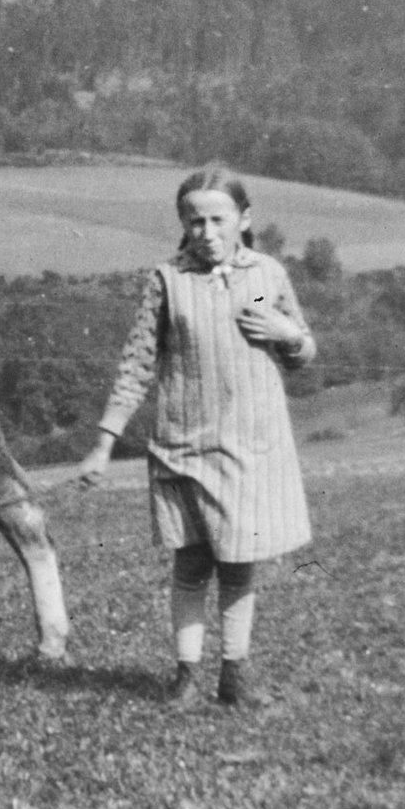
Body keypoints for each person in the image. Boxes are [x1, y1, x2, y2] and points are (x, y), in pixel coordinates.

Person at [79, 165, 316, 709]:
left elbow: (295, 352)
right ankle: (185, 676)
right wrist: (104, 441)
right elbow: (137, 364)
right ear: (183, 225)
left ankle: (236, 674)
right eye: (195, 221)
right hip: (182, 445)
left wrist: (289, 334)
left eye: (217, 220)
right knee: (190, 563)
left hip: (248, 446)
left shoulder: (263, 278)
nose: (206, 232)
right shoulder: (169, 281)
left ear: (243, 220)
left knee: (238, 561)